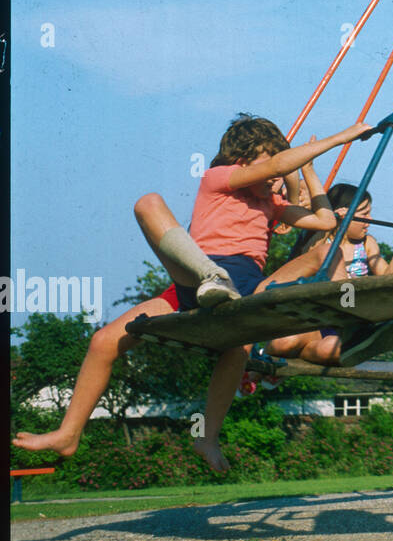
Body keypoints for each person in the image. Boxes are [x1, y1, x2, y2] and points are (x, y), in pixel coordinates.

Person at [13, 114, 369, 470]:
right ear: (243, 161)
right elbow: (277, 165)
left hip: (239, 289)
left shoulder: (271, 205)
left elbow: (325, 222)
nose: (275, 177)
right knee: (107, 331)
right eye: (269, 166)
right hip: (195, 277)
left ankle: (207, 438)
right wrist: (343, 137)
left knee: (239, 345)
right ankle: (69, 432)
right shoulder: (218, 179)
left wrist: (307, 170)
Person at [256, 184, 393, 370]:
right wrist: (331, 224)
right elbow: (310, 255)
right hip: (319, 319)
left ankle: (347, 345)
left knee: (331, 350)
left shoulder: (366, 244)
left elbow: (390, 278)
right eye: (363, 214)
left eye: (369, 213)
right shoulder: (322, 239)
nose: (369, 220)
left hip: (348, 319)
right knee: (282, 344)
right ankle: (267, 360)